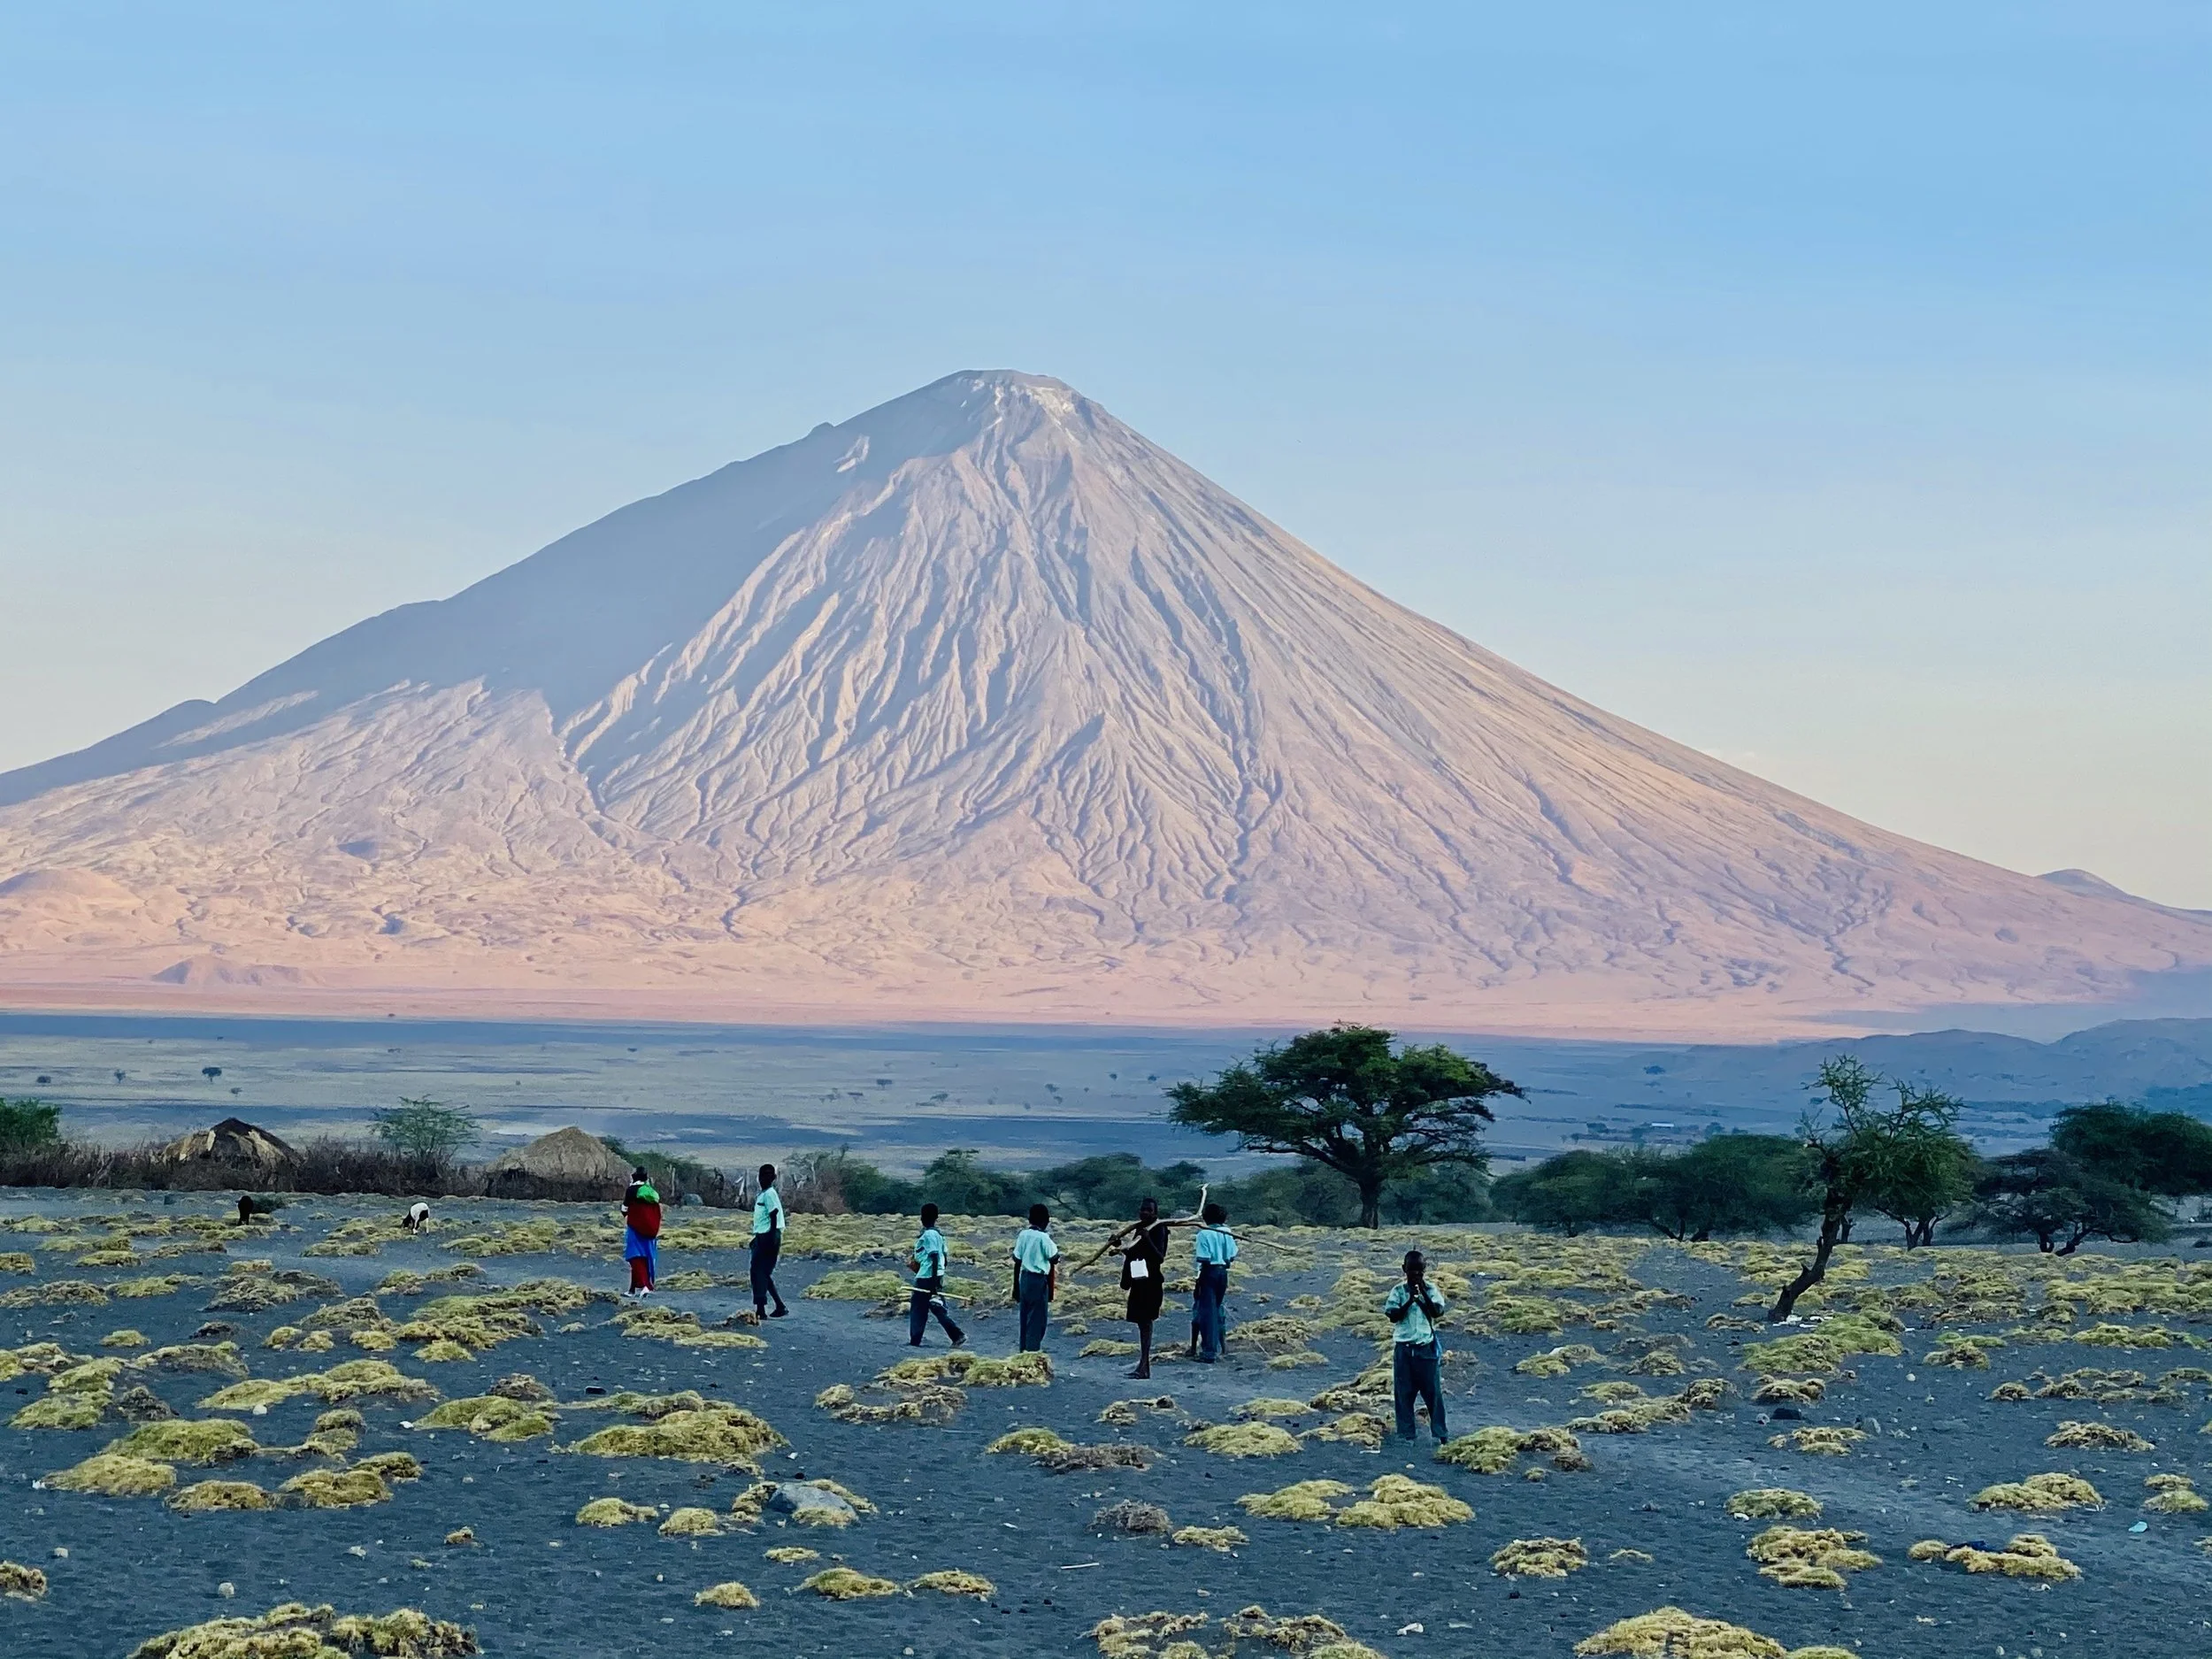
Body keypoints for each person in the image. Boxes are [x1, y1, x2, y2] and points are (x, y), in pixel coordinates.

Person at [1384, 1248, 1448, 1443]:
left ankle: (1440, 1434)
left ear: (1425, 1270)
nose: (1416, 1274)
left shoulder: (1431, 1290)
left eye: (1420, 1270)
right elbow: (1392, 1316)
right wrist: (1409, 1301)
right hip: (1404, 1351)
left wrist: (1422, 1297)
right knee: (1403, 1394)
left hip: (1426, 1350)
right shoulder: (1398, 1291)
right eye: (1412, 1270)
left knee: (1433, 1394)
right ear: (1404, 1269)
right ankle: (1406, 1434)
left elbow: (1438, 1312)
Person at [905, 1202, 966, 1348]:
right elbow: (944, 1258)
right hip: (935, 1276)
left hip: (926, 1277)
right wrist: (939, 1277)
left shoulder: (929, 1235)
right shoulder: (939, 1235)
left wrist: (932, 1284)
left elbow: (933, 1257)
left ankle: (915, 1339)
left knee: (918, 1309)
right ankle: (956, 1335)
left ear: (922, 1218)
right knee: (937, 1307)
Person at [1188, 1201, 1236, 1363]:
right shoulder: (1227, 1232)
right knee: (1216, 1309)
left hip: (1209, 1272)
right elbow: (1231, 1257)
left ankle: (1209, 1352)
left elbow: (1204, 1258)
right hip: (1223, 1272)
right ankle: (1219, 1346)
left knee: (1207, 1313)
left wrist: (1200, 1280)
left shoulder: (1204, 1233)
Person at [1010, 1202, 1060, 1353]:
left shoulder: (1023, 1235)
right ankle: (1031, 1353)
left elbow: (1017, 1259)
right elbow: (1054, 1257)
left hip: (1024, 1279)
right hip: (1038, 1280)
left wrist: (1015, 1287)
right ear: (1045, 1221)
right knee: (1037, 1320)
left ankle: (1023, 1350)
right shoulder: (1043, 1238)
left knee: (1025, 1318)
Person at [750, 1163, 789, 1319]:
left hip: (769, 1236)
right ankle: (776, 1306)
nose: (763, 1179)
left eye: (767, 1176)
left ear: (772, 1178)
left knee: (759, 1272)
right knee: (762, 1272)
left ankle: (762, 1309)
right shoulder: (765, 1194)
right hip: (764, 1235)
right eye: (762, 1176)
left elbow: (773, 1214)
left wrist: (770, 1237)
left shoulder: (769, 1194)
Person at [621, 1170, 662, 1297]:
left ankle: (646, 1286)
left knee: (635, 1257)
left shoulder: (631, 1191)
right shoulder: (650, 1192)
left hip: (635, 1228)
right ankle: (632, 1289)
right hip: (651, 1230)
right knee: (647, 1257)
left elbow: (624, 1208)